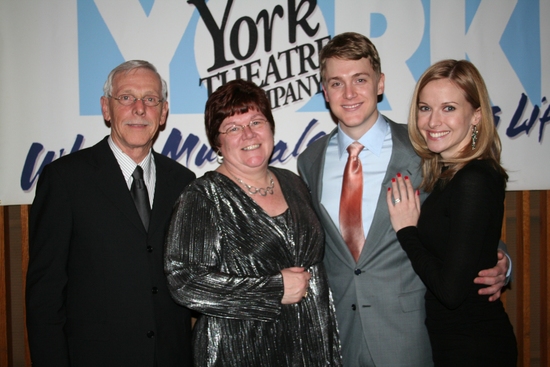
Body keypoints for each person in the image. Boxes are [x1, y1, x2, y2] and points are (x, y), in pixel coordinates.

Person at [297, 32, 511, 366]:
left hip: (411, 337)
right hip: (340, 337)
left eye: (360, 79)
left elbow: (468, 223)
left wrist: (503, 263)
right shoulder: (309, 160)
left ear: (380, 84)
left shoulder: (426, 150)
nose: (349, 93)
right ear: (325, 92)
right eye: (336, 83)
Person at [26, 60, 195, 367]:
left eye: (151, 99)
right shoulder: (65, 179)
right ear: (106, 108)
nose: (140, 109)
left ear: (164, 112)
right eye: (127, 97)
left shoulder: (184, 182)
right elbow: (44, 295)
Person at [164, 79, 342, 367]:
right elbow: (185, 282)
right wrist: (273, 290)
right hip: (240, 351)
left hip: (310, 347)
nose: (248, 134)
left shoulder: (293, 183)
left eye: (256, 121)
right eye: (233, 128)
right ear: (217, 142)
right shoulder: (203, 196)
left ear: (270, 127)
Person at [386, 59, 517, 366]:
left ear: (476, 116)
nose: (433, 121)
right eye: (424, 108)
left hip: (473, 347)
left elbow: (451, 291)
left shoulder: (474, 179)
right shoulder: (451, 175)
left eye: (448, 108)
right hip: (452, 341)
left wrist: (407, 231)